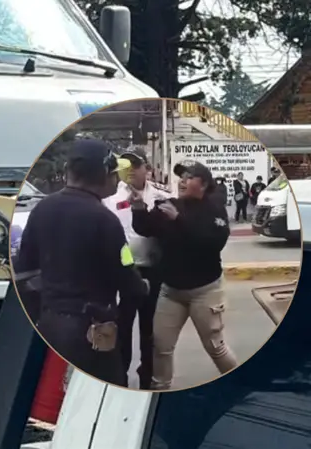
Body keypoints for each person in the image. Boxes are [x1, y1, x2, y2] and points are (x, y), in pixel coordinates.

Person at [13, 138, 148, 387]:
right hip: (92, 331)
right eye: (114, 172)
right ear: (105, 174)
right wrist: (143, 287)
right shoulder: (105, 220)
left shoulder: (42, 209)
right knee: (108, 391)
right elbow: (127, 275)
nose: (118, 179)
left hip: (50, 325)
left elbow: (24, 272)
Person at [130, 161, 238, 390]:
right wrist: (138, 208)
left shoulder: (215, 210)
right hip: (171, 291)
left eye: (189, 177)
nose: (182, 181)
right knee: (160, 346)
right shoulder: (169, 204)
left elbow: (212, 244)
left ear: (204, 184)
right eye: (181, 177)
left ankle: (241, 385)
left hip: (205, 291)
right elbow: (145, 228)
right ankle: (160, 389)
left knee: (216, 348)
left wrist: (179, 220)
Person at [103, 149, 174, 389]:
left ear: (148, 168)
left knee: (150, 329)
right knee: (121, 327)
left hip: (153, 270)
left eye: (137, 165)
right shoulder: (110, 197)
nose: (132, 170)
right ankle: (119, 375)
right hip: (123, 272)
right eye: (127, 165)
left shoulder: (163, 195)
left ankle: (148, 376)